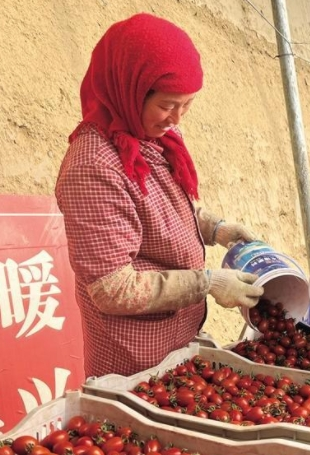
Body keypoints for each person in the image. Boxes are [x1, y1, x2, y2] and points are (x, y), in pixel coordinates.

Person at [55, 13, 264, 378]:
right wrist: (207, 283)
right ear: (129, 89)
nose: (177, 119)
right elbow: (114, 289)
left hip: (178, 343)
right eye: (168, 105)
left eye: (187, 105)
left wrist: (215, 228)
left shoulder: (151, 137)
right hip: (134, 360)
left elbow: (159, 209)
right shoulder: (93, 167)